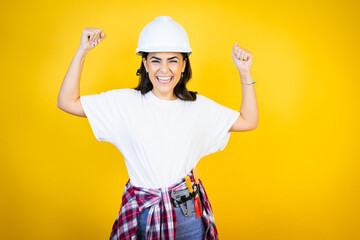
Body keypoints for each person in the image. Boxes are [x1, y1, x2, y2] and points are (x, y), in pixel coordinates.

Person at [57, 16, 258, 240]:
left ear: (183, 65)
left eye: (173, 60)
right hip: (143, 212)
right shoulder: (124, 103)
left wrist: (244, 72)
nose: (164, 69)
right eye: (155, 60)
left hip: (188, 213)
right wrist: (82, 50)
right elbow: (67, 102)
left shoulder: (198, 107)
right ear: (144, 64)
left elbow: (249, 121)